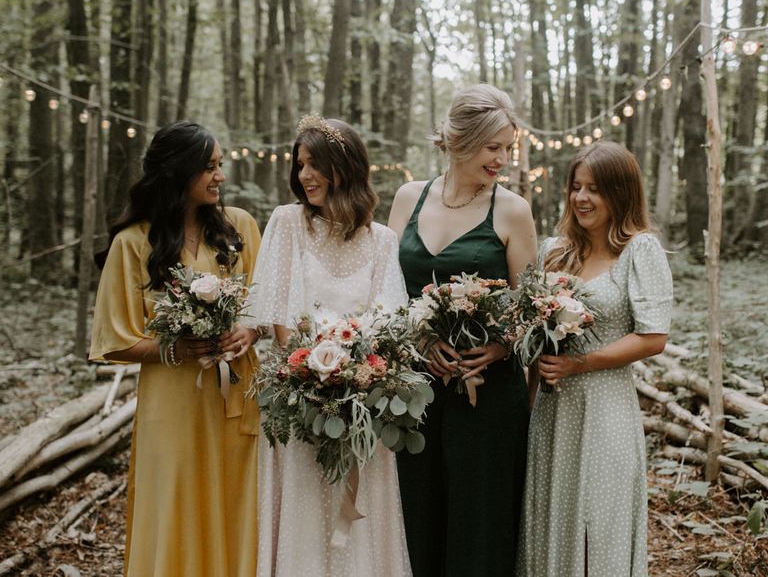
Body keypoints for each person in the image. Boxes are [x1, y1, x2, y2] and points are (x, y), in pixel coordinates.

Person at [90, 121, 263, 577]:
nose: (220, 176)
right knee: (176, 501)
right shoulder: (132, 244)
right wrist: (178, 348)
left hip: (238, 397)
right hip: (173, 405)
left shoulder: (240, 228)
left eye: (219, 166)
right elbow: (115, 339)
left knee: (237, 499)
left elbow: (267, 304)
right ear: (177, 172)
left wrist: (248, 331)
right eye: (208, 167)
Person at [250, 115, 412, 577]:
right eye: (300, 165)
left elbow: (388, 324)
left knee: (361, 516)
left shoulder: (381, 241)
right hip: (300, 398)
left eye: (314, 164)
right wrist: (313, 376)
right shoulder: (288, 222)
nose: (304, 175)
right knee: (305, 512)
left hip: (363, 406)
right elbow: (280, 317)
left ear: (345, 166)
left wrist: (356, 382)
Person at [388, 84, 538, 576]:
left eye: (508, 149)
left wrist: (496, 349)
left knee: (481, 527)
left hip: (488, 398)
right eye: (493, 147)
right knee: (417, 516)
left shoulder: (512, 209)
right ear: (458, 140)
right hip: (414, 393)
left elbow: (531, 307)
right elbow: (388, 293)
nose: (503, 160)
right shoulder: (409, 198)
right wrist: (422, 340)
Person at [517, 141, 673, 577]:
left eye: (595, 190)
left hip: (605, 408)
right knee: (550, 518)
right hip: (551, 409)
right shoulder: (555, 250)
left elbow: (653, 336)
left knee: (596, 524)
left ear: (620, 194)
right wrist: (529, 401)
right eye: (576, 187)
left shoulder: (639, 250)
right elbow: (534, 333)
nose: (581, 198)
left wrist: (582, 363)